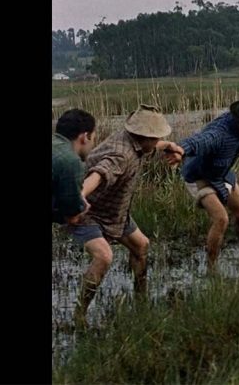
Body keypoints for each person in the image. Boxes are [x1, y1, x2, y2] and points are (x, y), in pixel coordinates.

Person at [72, 104, 184, 329]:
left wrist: (169, 145)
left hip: (116, 212)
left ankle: (140, 301)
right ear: (144, 136)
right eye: (157, 137)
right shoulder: (121, 154)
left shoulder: (135, 140)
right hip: (89, 212)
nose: (159, 140)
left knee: (141, 246)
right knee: (104, 257)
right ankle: (79, 315)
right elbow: (99, 173)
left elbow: (153, 145)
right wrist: (81, 196)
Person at [179, 97, 239, 271]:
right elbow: (199, 141)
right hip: (199, 175)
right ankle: (211, 269)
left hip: (221, 172)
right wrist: (179, 149)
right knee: (221, 219)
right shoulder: (220, 133)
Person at [52, 108, 96, 225]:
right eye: (94, 139)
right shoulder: (71, 161)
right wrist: (81, 207)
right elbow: (72, 217)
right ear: (85, 137)